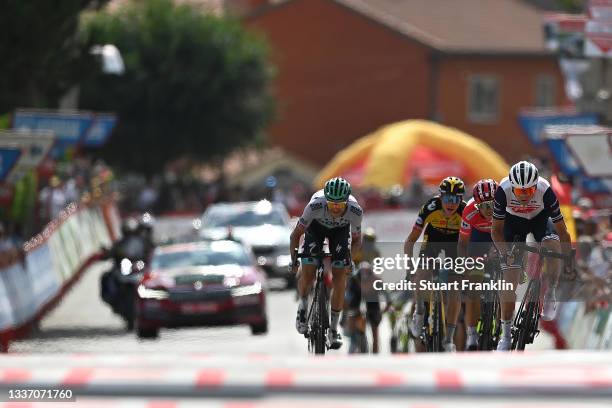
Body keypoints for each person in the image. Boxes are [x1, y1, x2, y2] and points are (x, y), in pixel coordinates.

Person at [491, 161, 573, 351]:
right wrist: (505, 254)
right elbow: (496, 231)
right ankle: (506, 334)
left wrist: (568, 262)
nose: (525, 196)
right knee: (508, 282)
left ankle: (550, 291)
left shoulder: (545, 190)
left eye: (529, 191)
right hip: (513, 223)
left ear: (536, 186)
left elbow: (563, 232)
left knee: (553, 246)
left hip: (539, 219)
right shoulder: (503, 190)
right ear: (513, 187)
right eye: (520, 192)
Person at [290, 177, 363, 350]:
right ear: (326, 200)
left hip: (340, 232)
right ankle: (303, 306)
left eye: (340, 204)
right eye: (332, 203)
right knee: (307, 272)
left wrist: (350, 260)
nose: (336, 207)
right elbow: (295, 235)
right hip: (315, 229)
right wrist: (293, 259)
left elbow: (357, 241)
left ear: (347, 201)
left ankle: (333, 329)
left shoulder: (355, 211)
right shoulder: (315, 205)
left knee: (340, 277)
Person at [404, 176, 466, 352]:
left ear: (461, 199)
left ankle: (449, 338)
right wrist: (410, 266)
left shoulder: (465, 211)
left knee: (456, 288)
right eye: (447, 198)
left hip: (455, 243)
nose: (451, 203)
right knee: (422, 273)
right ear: (440, 197)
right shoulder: (430, 208)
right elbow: (410, 241)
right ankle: (419, 313)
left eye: (456, 199)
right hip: (433, 239)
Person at [457, 179, 498, 351]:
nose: (489, 211)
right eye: (484, 206)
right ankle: (472, 336)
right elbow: (462, 245)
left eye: (493, 205)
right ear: (476, 206)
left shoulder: (506, 208)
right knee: (473, 287)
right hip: (478, 241)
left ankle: (505, 329)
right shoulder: (469, 212)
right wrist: (464, 266)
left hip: (498, 237)